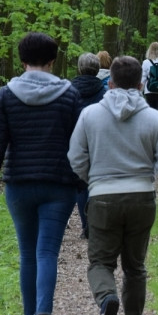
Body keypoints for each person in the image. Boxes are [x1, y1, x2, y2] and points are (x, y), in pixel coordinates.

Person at [68, 55, 158, 315]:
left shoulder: (90, 115)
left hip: (103, 197)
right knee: (135, 266)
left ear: (109, 83)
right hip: (141, 197)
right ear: (141, 83)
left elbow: (75, 157)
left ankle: (107, 298)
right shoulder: (155, 119)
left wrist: (93, 178)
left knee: (100, 262)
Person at [0, 32, 82, 315]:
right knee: (47, 251)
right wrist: (83, 179)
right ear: (52, 60)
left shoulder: (5, 95)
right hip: (59, 184)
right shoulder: (69, 94)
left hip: (19, 184)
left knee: (27, 253)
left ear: (22, 60)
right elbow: (79, 144)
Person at [70, 53, 106, 239]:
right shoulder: (105, 92)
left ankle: (86, 226)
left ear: (79, 68)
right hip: (98, 142)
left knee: (81, 185)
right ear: (97, 70)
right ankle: (95, 223)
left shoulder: (68, 91)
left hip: (75, 143)